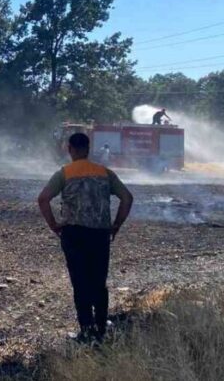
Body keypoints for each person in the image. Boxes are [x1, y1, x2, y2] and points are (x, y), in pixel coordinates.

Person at [38, 132, 134, 344]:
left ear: (70, 149)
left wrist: (54, 225)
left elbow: (43, 199)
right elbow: (127, 198)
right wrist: (115, 225)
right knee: (99, 282)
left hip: (73, 234)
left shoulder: (64, 173)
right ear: (88, 149)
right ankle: (101, 328)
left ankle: (86, 330)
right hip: (100, 234)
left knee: (80, 282)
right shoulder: (105, 173)